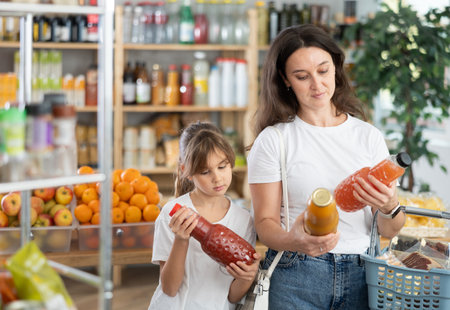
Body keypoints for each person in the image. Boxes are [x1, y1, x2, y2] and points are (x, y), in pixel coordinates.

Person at [247, 25, 406, 310]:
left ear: (336, 67)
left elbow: (389, 230)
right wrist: (293, 241)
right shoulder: (274, 140)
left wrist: (390, 206)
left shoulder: (368, 137)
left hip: (363, 274)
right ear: (285, 80)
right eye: (302, 76)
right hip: (296, 275)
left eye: (323, 70)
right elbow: (264, 225)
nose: (317, 85)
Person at [149, 121, 260, 310]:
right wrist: (181, 240)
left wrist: (247, 277)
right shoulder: (173, 212)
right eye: (205, 171)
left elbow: (232, 296)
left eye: (222, 167)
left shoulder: (243, 220)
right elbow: (169, 288)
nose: (217, 178)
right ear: (186, 171)